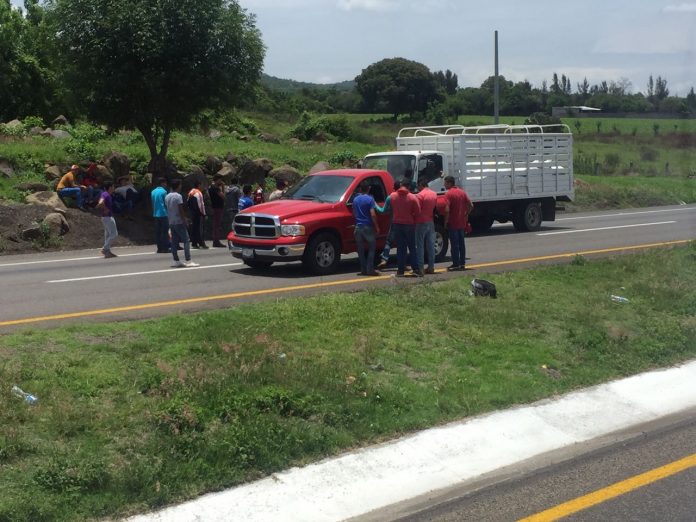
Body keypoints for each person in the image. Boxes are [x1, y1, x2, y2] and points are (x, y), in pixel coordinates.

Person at [390, 178, 421, 277]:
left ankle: (400, 270)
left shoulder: (392, 196)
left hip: (397, 224)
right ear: (409, 187)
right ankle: (415, 269)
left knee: (400, 248)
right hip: (409, 224)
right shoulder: (412, 197)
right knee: (412, 247)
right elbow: (418, 212)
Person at [165, 179, 199, 268]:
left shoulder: (167, 196)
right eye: (180, 185)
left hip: (171, 221)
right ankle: (188, 260)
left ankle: (176, 260)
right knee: (186, 240)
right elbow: (180, 210)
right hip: (179, 221)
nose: (181, 186)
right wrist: (185, 220)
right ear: (177, 186)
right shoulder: (178, 196)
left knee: (174, 241)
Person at [443, 175, 474, 271]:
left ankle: (456, 263)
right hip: (461, 222)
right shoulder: (462, 192)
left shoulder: (448, 194)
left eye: (445, 183)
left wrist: (446, 221)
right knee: (461, 244)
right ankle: (462, 264)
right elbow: (471, 205)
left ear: (449, 183)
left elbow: (447, 210)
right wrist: (466, 214)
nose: (444, 185)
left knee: (454, 244)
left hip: (453, 222)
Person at [352, 181, 380, 276]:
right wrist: (376, 226)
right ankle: (370, 269)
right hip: (367, 226)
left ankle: (363, 269)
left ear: (360, 189)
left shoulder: (355, 200)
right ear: (369, 188)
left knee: (360, 249)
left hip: (358, 226)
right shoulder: (370, 199)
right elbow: (373, 214)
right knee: (372, 247)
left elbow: (354, 213)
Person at [415, 178, 438, 276]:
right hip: (430, 221)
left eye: (418, 186)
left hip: (421, 222)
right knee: (430, 245)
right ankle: (431, 267)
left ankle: (420, 268)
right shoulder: (434, 194)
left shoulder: (420, 195)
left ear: (421, 185)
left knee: (419, 246)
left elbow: (417, 209)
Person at [376, 180, 400, 268]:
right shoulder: (406, 196)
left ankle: (384, 259)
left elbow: (382, 211)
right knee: (402, 243)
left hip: (395, 223)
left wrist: (374, 204)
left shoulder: (390, 198)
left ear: (394, 188)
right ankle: (402, 262)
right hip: (406, 223)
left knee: (388, 242)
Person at [96, 181, 118, 258]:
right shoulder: (106, 194)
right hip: (108, 217)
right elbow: (101, 202)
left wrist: (101, 206)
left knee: (108, 235)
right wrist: (105, 208)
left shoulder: (105, 194)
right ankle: (105, 249)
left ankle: (107, 252)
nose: (114, 188)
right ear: (110, 187)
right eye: (113, 186)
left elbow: (100, 203)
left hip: (105, 217)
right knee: (114, 234)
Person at [187, 180, 208, 249]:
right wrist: (204, 214)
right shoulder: (198, 193)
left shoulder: (191, 192)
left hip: (192, 213)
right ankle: (201, 243)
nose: (202, 187)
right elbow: (201, 205)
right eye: (201, 185)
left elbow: (188, 203)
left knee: (193, 228)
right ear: (199, 185)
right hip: (198, 213)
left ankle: (194, 243)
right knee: (200, 229)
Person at [151, 177, 169, 253]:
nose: (166, 184)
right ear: (162, 183)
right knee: (164, 232)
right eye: (165, 183)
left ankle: (159, 248)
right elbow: (166, 203)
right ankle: (165, 248)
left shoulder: (153, 192)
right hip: (164, 214)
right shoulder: (164, 192)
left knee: (158, 232)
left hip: (156, 214)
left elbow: (152, 203)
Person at [208, 174, 226, 247]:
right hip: (217, 207)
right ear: (217, 180)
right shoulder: (216, 188)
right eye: (220, 180)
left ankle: (215, 240)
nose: (221, 181)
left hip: (214, 207)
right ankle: (216, 241)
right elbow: (223, 197)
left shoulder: (211, 187)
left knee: (215, 224)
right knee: (217, 225)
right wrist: (223, 187)